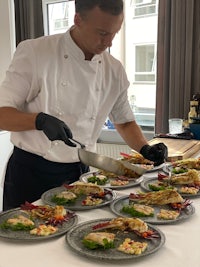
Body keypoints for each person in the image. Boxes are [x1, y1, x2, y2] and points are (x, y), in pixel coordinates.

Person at [0, 0, 167, 211]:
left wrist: (145, 148)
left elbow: (124, 122)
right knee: (22, 239)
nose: (109, 43)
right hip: (32, 174)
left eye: (115, 33)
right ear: (77, 19)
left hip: (79, 174)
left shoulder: (113, 69)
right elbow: (2, 115)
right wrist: (38, 120)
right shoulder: (35, 53)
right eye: (102, 33)